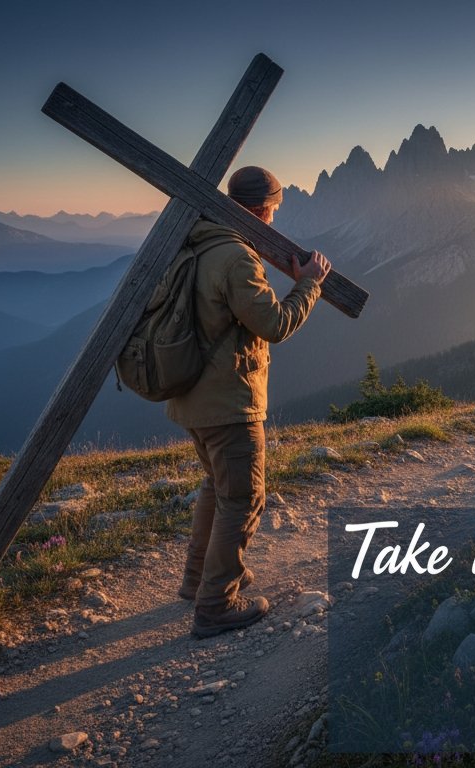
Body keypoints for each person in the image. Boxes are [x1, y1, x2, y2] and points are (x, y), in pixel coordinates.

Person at [165, 165, 331, 638]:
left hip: (191, 396)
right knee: (244, 496)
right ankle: (215, 603)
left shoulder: (197, 239)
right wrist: (310, 284)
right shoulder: (236, 256)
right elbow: (274, 324)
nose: (274, 222)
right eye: (273, 212)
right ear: (260, 210)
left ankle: (198, 580)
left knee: (218, 487)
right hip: (228, 401)